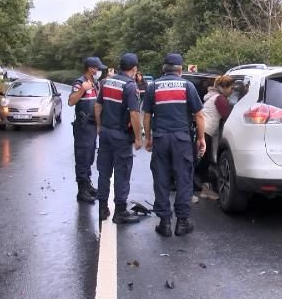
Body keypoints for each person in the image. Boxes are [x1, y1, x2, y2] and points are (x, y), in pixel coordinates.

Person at [143, 53, 206, 237]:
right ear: (180, 70)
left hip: (161, 139)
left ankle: (164, 224)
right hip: (182, 140)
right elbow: (199, 115)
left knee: (161, 179)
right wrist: (201, 138)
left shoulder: (153, 86)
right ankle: (182, 223)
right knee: (184, 179)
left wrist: (148, 138)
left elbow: (147, 116)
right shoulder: (187, 86)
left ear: (163, 69)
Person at [94, 53, 142, 224]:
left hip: (105, 133)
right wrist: (138, 137)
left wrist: (99, 126)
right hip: (121, 136)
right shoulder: (130, 86)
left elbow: (98, 106)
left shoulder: (107, 82)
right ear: (134, 69)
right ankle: (120, 211)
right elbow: (134, 114)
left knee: (104, 171)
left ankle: (102, 209)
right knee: (122, 172)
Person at [68, 57, 106, 203]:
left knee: (90, 156)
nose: (100, 71)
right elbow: (71, 102)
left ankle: (87, 184)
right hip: (83, 126)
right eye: (98, 68)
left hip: (91, 126)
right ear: (91, 69)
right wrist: (82, 89)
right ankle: (81, 190)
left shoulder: (95, 84)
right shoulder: (80, 83)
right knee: (82, 157)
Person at [196, 75, 235, 200]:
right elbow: (227, 116)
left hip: (203, 130)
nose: (232, 91)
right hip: (205, 131)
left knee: (203, 161)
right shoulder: (220, 99)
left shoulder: (213, 96)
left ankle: (202, 189)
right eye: (231, 88)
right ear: (224, 87)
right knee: (202, 162)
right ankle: (199, 190)